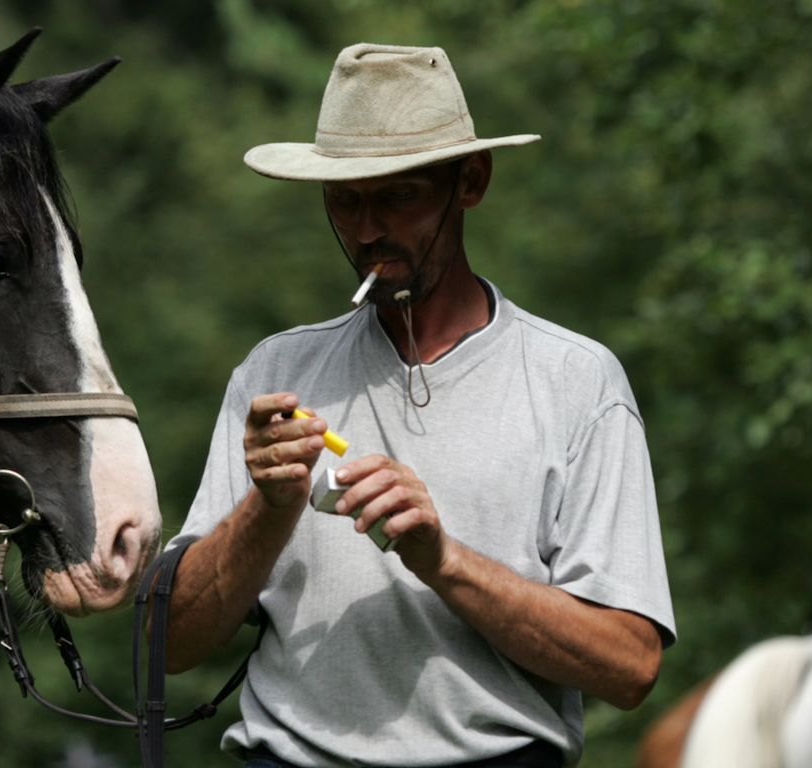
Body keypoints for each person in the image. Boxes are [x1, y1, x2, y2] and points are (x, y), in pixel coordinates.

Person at [164, 43, 676, 768]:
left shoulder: (577, 381)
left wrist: (441, 559)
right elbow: (172, 647)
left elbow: (630, 667)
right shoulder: (274, 373)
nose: (367, 229)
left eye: (398, 194)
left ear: (471, 180)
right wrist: (268, 506)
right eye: (345, 200)